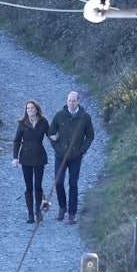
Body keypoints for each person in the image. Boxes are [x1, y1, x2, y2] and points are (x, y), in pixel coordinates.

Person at [48, 91, 94, 225]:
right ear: (66, 101)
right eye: (69, 101)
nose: (71, 103)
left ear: (78, 101)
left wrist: (82, 150)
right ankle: (63, 207)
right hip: (60, 155)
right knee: (59, 182)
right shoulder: (59, 116)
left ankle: (72, 214)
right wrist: (56, 145)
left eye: (74, 101)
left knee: (73, 184)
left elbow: (90, 135)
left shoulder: (85, 117)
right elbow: (51, 132)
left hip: (75, 157)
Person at [13, 99, 50, 223]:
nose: (29, 110)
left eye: (32, 108)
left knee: (38, 185)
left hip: (39, 156)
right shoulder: (23, 124)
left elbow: (51, 135)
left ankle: (39, 211)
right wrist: (15, 158)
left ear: (37, 109)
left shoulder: (43, 122)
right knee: (29, 186)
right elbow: (17, 141)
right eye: (28, 108)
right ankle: (30, 214)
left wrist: (58, 141)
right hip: (26, 157)